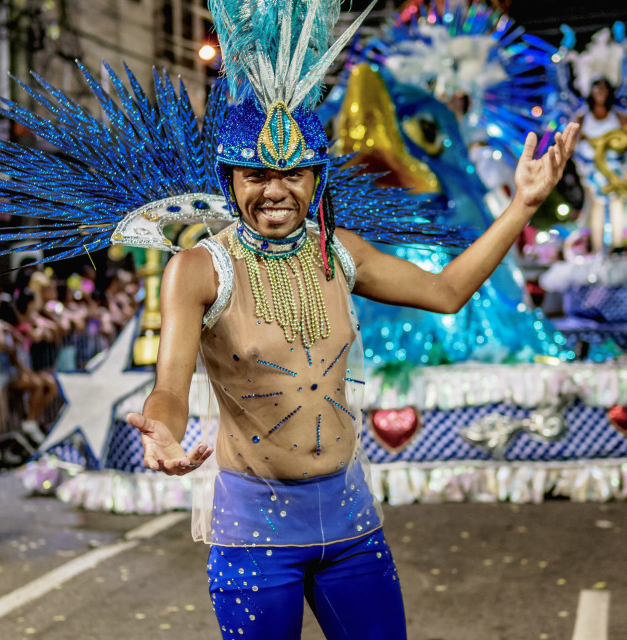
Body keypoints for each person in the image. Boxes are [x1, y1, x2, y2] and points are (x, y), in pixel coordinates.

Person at [126, 101, 578, 638]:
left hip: (350, 524)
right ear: (230, 180)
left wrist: (523, 204)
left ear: (316, 178)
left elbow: (448, 292)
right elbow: (170, 389)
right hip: (256, 533)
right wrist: (164, 432)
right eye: (256, 176)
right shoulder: (198, 269)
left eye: (292, 173)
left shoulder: (341, 253)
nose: (274, 191)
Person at [575, 77, 627, 253]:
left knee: (616, 203)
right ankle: (597, 249)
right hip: (592, 169)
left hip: (614, 168)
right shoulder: (582, 117)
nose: (600, 94)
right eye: (597, 89)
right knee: (596, 206)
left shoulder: (619, 116)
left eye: (604, 90)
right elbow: (573, 143)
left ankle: (617, 245)